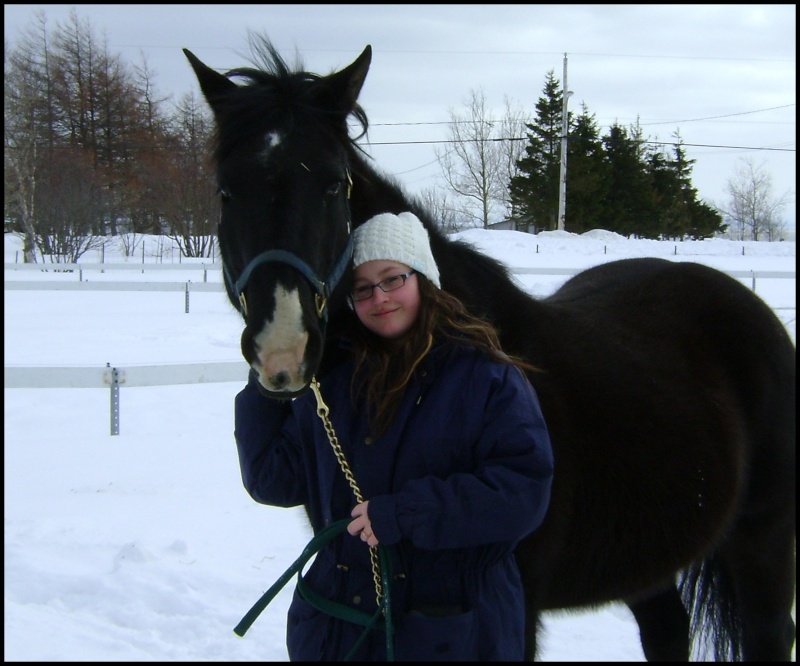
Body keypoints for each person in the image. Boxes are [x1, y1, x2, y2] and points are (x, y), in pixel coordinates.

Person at [234, 211, 554, 661]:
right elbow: (272, 478)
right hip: (339, 631)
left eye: (392, 278)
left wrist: (406, 514)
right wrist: (265, 374)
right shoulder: (333, 382)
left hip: (447, 632)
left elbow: (523, 494)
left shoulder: (486, 378)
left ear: (422, 278)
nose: (379, 297)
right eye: (362, 288)